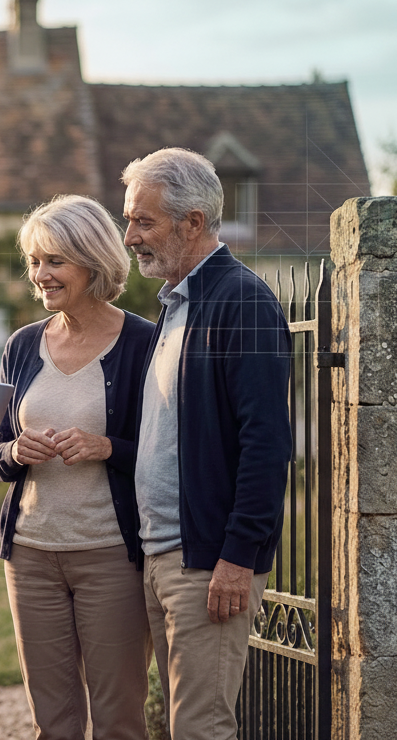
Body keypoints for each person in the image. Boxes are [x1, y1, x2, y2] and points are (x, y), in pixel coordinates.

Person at [122, 148, 291, 740]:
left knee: (199, 728)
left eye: (143, 221)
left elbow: (267, 444)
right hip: (160, 555)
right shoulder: (176, 306)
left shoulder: (240, 302)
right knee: (177, 723)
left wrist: (238, 557)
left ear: (192, 222)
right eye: (129, 220)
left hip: (207, 566)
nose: (130, 236)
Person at [0, 195, 156, 740]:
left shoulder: (144, 343)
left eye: (54, 261)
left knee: (118, 719)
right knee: (53, 722)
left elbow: (170, 453)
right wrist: (15, 453)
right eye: (35, 261)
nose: (40, 275)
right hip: (31, 556)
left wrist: (109, 448)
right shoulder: (22, 345)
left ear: (92, 261)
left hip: (111, 556)